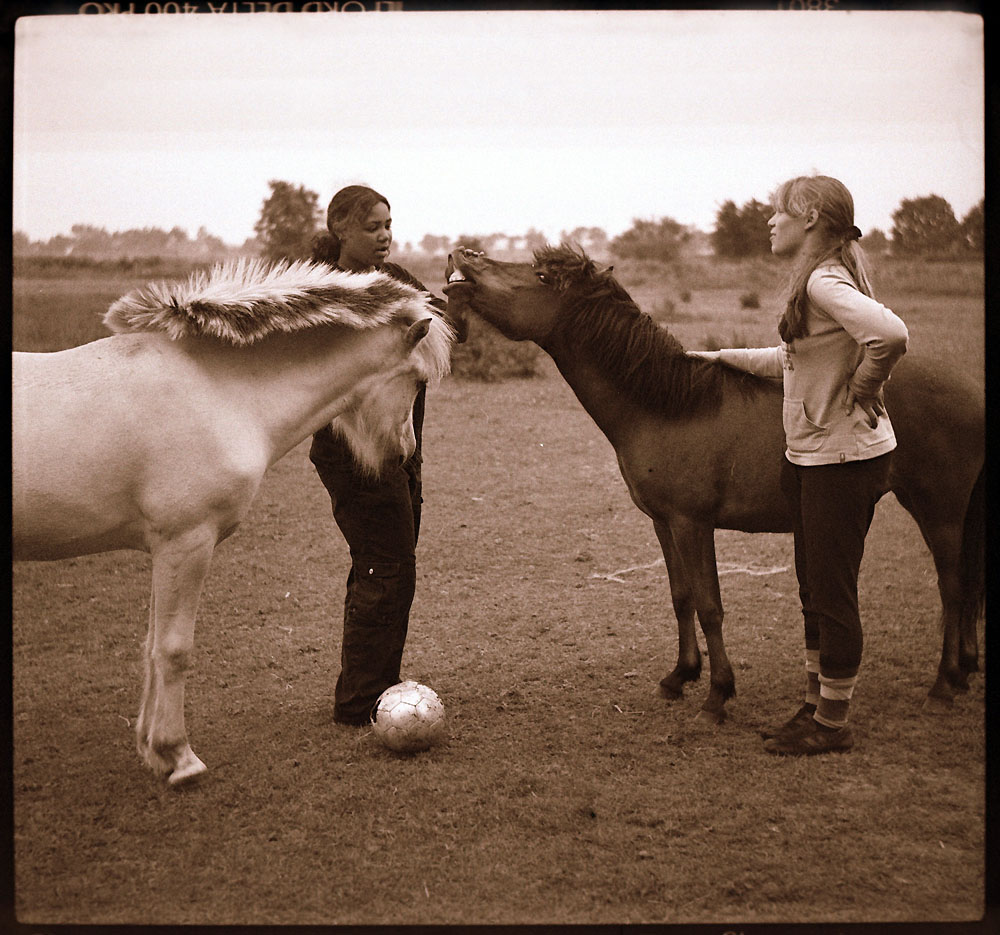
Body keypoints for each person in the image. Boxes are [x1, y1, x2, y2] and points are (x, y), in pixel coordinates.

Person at [691, 175, 909, 755]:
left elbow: (890, 334)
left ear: (809, 217)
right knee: (813, 587)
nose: (770, 221)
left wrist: (863, 385)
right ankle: (816, 706)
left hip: (842, 460)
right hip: (814, 457)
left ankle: (832, 724)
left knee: (832, 593)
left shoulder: (822, 281)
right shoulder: (818, 281)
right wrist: (718, 357)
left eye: (778, 212)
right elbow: (790, 360)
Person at [308, 184, 468, 726]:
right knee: (388, 564)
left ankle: (370, 687)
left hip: (401, 445)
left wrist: (461, 298)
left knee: (386, 565)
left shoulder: (397, 282)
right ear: (341, 229)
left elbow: (447, 333)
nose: (384, 235)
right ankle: (361, 701)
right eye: (373, 226)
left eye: (388, 225)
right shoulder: (320, 290)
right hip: (354, 450)